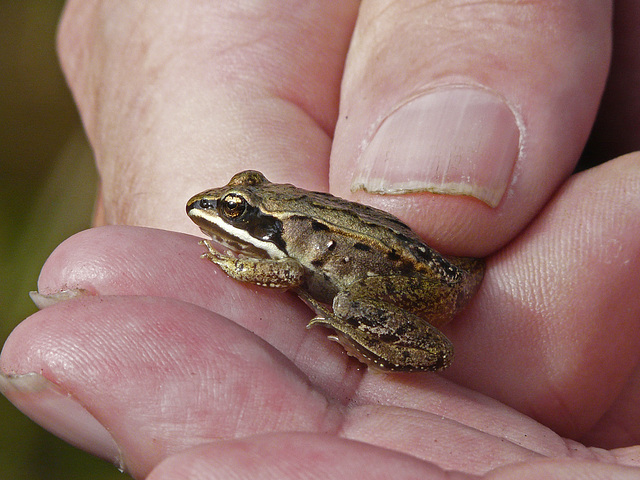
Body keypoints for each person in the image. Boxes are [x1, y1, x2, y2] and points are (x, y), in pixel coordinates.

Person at [2, 1, 640, 478]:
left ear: (262, 216)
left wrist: (236, 265)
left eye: (239, 209)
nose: (215, 212)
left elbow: (283, 273)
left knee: (344, 306)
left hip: (407, 276)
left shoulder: (275, 246)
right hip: (410, 254)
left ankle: (394, 344)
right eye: (235, 202)